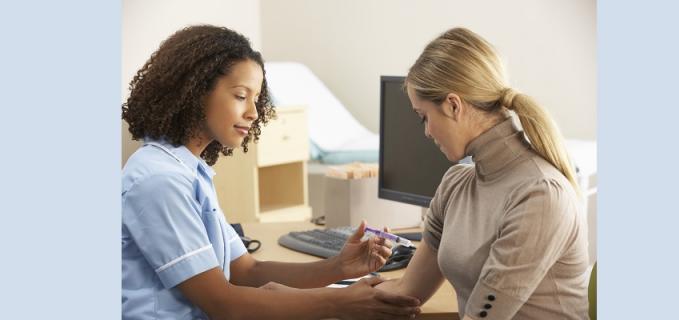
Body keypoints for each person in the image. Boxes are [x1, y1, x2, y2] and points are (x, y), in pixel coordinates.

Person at [121, 25, 421, 320]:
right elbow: (225, 305)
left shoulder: (188, 171)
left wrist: (339, 267)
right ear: (196, 92)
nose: (253, 112)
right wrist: (342, 302)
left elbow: (248, 272)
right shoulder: (159, 181)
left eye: (256, 98)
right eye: (241, 96)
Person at [375, 27, 590, 319]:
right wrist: (333, 293)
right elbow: (406, 291)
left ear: (453, 105)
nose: (426, 132)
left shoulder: (539, 194)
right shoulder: (456, 183)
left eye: (424, 117)